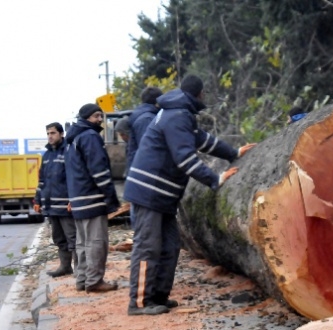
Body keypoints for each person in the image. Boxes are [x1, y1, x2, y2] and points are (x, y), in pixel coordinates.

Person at [123, 75, 255, 316]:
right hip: (149, 192)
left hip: (163, 195)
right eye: (204, 94)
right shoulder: (177, 114)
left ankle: (158, 296)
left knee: (171, 246)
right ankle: (139, 303)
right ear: (199, 94)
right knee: (148, 247)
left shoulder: (180, 113)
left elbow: (201, 140)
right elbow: (184, 158)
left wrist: (233, 152)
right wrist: (215, 179)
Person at [65, 104, 121, 292]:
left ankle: (82, 280)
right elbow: (99, 170)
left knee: (82, 242)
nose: (100, 120)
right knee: (97, 241)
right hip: (92, 198)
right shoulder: (90, 137)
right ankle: (95, 281)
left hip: (78, 199)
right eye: (97, 116)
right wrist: (111, 198)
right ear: (87, 117)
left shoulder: (72, 140)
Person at [34, 122, 77, 278]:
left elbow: (73, 178)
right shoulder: (47, 155)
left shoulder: (67, 151)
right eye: (48, 133)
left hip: (65, 205)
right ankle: (65, 267)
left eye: (53, 133)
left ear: (61, 134)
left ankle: (80, 269)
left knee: (72, 238)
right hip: (51, 205)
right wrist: (37, 200)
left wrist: (73, 199)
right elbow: (42, 180)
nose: (50, 136)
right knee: (59, 238)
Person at [124, 86, 163, 227]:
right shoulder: (147, 119)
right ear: (157, 102)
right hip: (144, 178)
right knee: (144, 226)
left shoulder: (144, 116)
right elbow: (149, 150)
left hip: (140, 175)